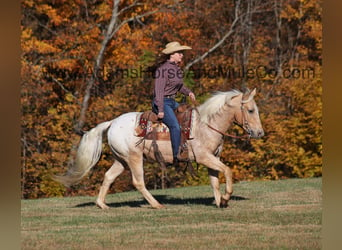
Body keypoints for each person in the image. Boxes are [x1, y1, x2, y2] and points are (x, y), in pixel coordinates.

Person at [151, 41, 196, 166]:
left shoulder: (176, 69)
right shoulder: (163, 70)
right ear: (172, 55)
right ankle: (177, 155)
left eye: (182, 53)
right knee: (175, 126)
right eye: (179, 53)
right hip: (162, 102)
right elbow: (158, 91)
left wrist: (189, 92)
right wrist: (160, 109)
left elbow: (179, 86)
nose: (182, 55)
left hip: (171, 101)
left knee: (191, 116)